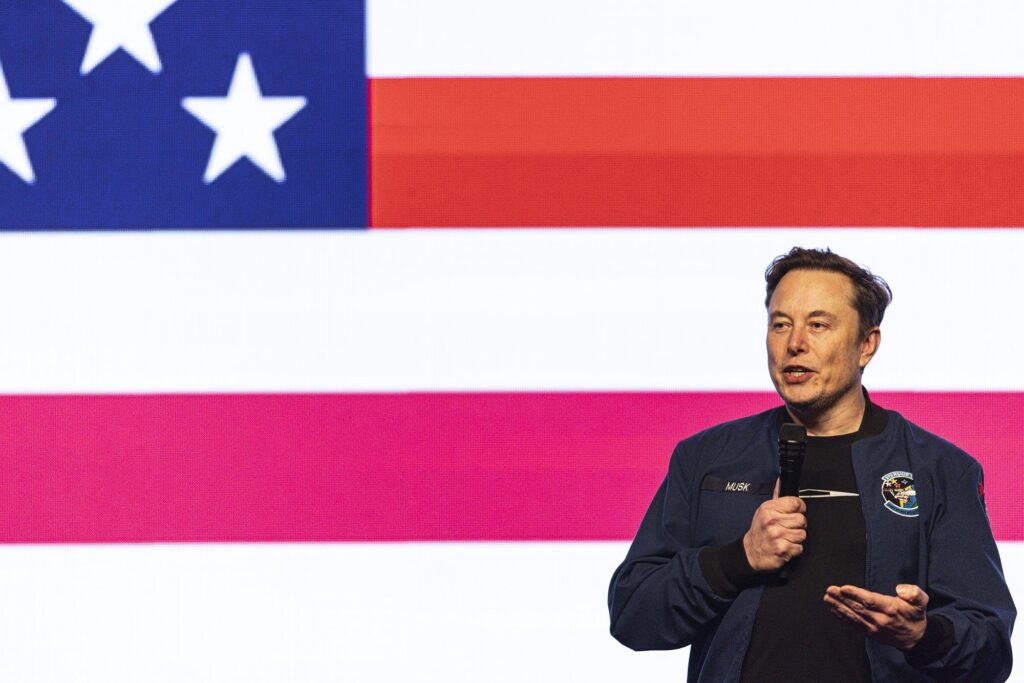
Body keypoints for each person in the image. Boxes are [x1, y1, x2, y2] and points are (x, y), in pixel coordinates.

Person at [608, 247, 1015, 682]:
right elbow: (633, 613)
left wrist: (923, 635)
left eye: (818, 325)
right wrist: (739, 558)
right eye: (780, 324)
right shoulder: (705, 458)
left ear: (866, 345)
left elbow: (991, 650)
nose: (795, 343)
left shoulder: (941, 470)